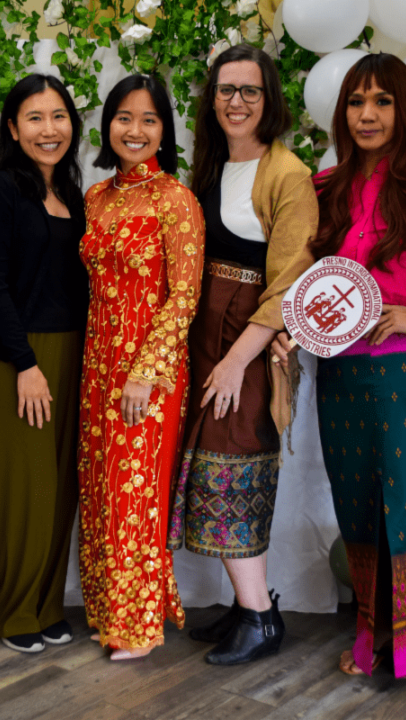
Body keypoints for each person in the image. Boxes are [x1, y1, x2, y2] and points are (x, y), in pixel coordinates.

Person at [273, 53, 406, 679]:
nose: (367, 114)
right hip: (337, 369)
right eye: (357, 102)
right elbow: (298, 272)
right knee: (357, 502)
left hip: (397, 371)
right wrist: (286, 327)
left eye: (382, 102)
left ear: (404, 111)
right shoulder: (324, 187)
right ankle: (374, 635)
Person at [166, 44, 319, 666]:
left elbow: (290, 283)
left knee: (235, 472)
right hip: (203, 341)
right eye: (226, 90)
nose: (236, 102)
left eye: (249, 90)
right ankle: (246, 605)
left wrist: (239, 360)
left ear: (270, 99)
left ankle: (260, 617)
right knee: (208, 470)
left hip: (247, 346)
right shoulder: (208, 165)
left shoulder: (289, 175)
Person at [78, 75, 204, 660]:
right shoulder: (96, 197)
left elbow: (184, 296)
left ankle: (138, 623)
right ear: (108, 125)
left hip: (145, 372)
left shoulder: (175, 199)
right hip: (97, 365)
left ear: (164, 130)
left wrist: (145, 370)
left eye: (149, 119)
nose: (135, 130)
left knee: (137, 494)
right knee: (102, 490)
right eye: (124, 118)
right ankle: (106, 609)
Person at [0, 74, 88, 654]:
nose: (50, 129)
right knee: (28, 486)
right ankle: (14, 610)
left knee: (63, 486)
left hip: (74, 351)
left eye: (59, 116)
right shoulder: (0, 190)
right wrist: (24, 362)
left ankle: (47, 604)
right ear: (14, 129)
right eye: (36, 118)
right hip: (20, 356)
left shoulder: (74, 192)